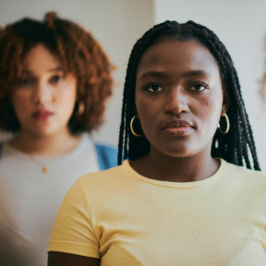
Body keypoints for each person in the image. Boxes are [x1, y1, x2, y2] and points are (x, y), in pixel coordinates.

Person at [48, 20, 266, 266]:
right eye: (154, 87)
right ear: (135, 102)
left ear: (224, 100)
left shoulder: (262, 194)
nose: (176, 105)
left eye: (197, 86)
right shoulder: (88, 197)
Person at [0, 12, 117, 266]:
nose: (42, 97)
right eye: (26, 80)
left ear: (82, 84)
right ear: (6, 87)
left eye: (56, 78)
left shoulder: (120, 164)